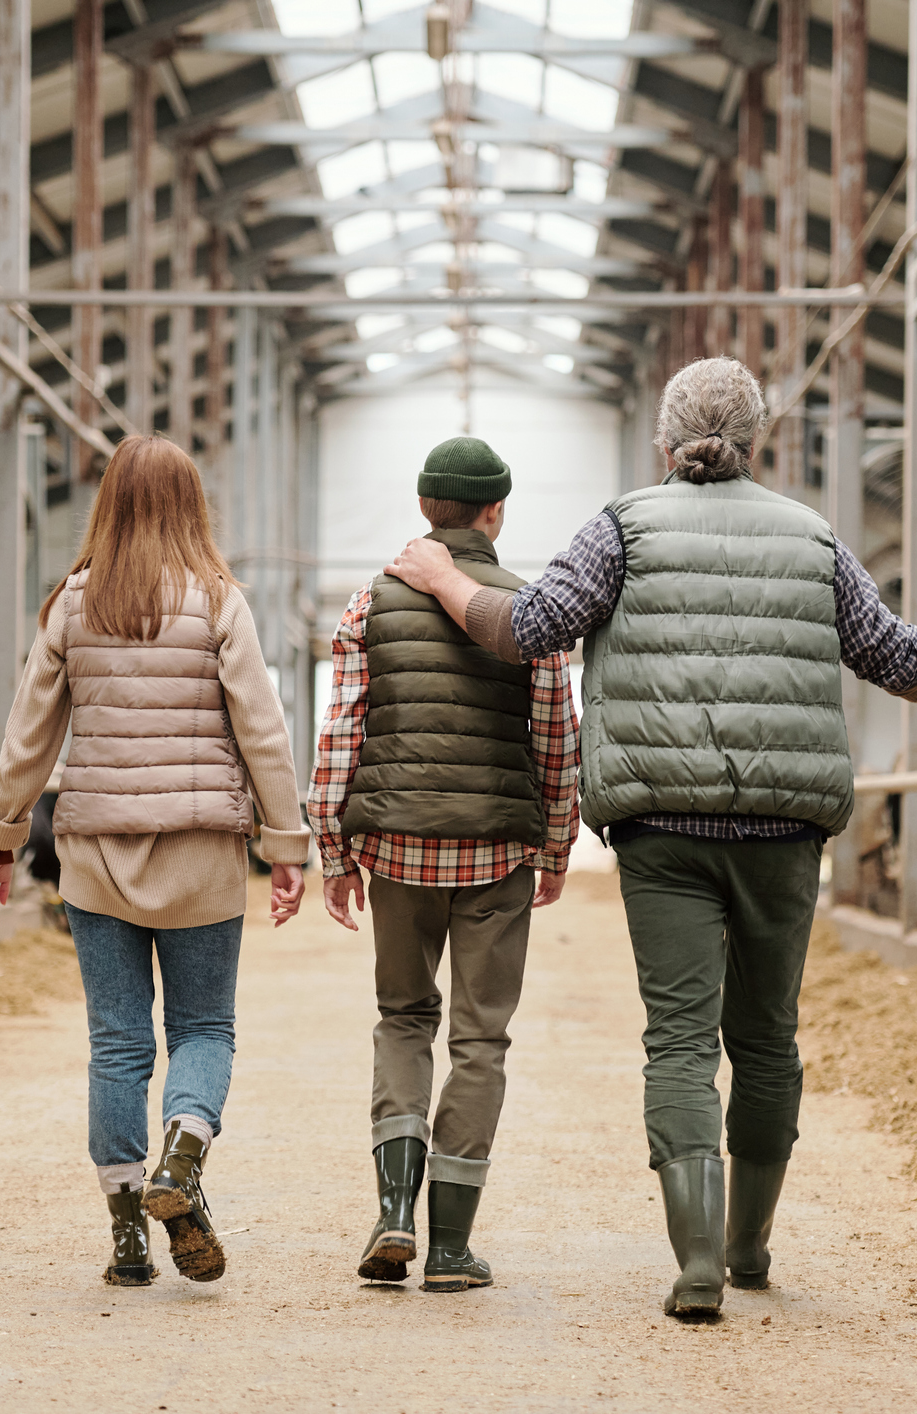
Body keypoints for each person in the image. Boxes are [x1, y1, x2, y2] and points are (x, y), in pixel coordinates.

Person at [385, 358, 917, 1320]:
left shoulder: (624, 525)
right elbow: (885, 647)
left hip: (662, 826)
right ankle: (752, 1247)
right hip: (784, 830)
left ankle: (698, 1262)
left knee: (677, 1040)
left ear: (665, 444)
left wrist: (436, 574)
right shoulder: (811, 535)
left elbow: (533, 629)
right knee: (766, 1040)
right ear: (754, 441)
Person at [0, 435, 308, 1289]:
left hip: (94, 858)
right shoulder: (219, 601)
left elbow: (28, 735)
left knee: (117, 1046)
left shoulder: (72, 604)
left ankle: (127, 1239)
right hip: (201, 851)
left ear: (107, 504)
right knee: (202, 1029)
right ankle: (182, 1161)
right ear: (192, 505)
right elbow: (261, 731)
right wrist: (286, 845)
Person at [308, 436, 580, 1293]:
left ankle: (393, 1212)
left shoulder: (369, 605)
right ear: (494, 512)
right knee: (479, 1039)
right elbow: (556, 740)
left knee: (401, 1019)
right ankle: (451, 1246)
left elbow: (340, 733)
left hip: (394, 847)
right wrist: (557, 842)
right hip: (496, 849)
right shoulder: (528, 611)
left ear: (426, 508)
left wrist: (331, 848)